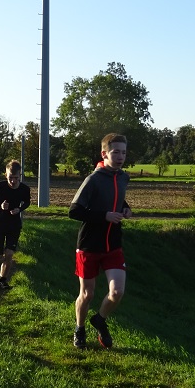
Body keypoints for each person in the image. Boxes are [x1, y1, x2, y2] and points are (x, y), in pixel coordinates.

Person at [68, 133, 132, 349]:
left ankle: (100, 319)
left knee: (117, 292)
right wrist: (104, 216)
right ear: (104, 154)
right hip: (89, 245)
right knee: (87, 294)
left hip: (113, 244)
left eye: (124, 152)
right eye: (116, 152)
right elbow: (74, 211)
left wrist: (126, 209)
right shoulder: (93, 179)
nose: (120, 156)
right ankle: (80, 328)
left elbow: (117, 197)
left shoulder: (123, 177)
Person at [0, 160, 30, 290]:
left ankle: (2, 281)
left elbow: (27, 202)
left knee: (9, 253)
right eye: (10, 178)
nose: (13, 181)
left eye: (16, 178)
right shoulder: (0, 186)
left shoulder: (24, 189)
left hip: (14, 224)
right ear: (6, 175)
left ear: (20, 175)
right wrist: (0, 205)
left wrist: (19, 209)